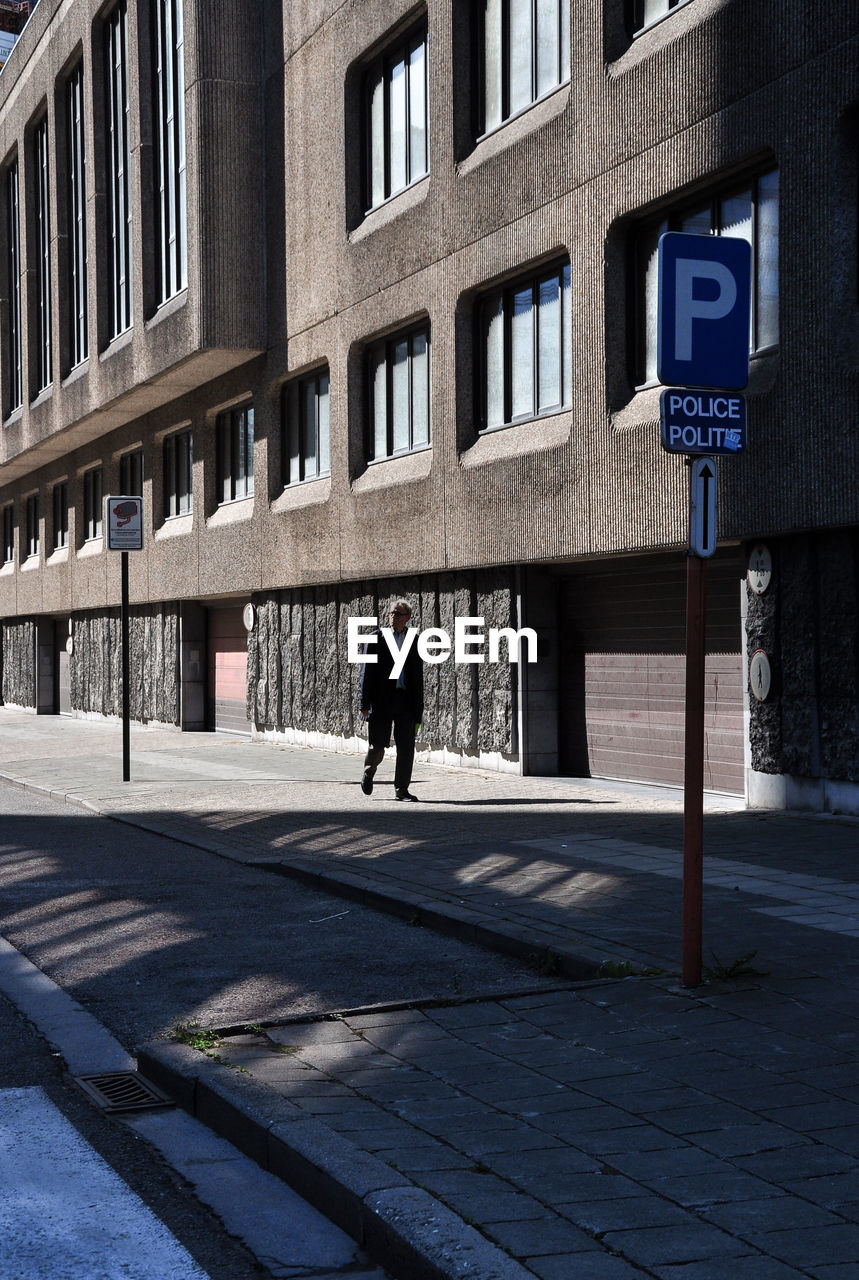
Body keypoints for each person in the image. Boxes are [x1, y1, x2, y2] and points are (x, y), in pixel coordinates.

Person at [358, 600, 423, 801]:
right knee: (377, 746)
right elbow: (365, 672)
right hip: (381, 701)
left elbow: (417, 675)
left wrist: (418, 707)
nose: (393, 616)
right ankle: (369, 772)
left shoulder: (414, 639)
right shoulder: (376, 638)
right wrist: (364, 702)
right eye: (392, 613)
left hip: (405, 701)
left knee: (406, 748)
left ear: (408, 618)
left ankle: (401, 790)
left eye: (398, 613)